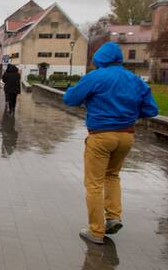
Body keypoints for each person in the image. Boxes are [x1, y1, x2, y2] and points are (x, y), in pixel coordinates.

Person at [63, 41, 158, 245]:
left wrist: (73, 90)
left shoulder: (96, 77)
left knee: (94, 184)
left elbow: (71, 99)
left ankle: (96, 231)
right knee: (112, 175)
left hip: (101, 136)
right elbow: (151, 110)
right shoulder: (135, 80)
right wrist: (129, 113)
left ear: (99, 59)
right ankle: (114, 216)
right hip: (126, 136)